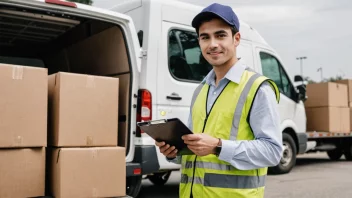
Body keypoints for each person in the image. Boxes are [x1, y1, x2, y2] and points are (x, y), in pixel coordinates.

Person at [155, 3, 283, 198]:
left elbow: (272, 152)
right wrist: (174, 152)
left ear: (236, 38)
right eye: (205, 37)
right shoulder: (201, 90)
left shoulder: (257, 88)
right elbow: (195, 149)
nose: (212, 44)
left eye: (220, 35)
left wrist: (218, 146)